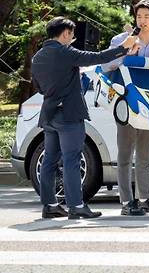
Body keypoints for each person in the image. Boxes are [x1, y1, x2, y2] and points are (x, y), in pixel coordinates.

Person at [32, 17, 138, 219]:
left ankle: (50, 205)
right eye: (71, 35)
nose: (72, 39)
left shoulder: (37, 57)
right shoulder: (65, 52)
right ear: (65, 33)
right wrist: (123, 48)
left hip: (49, 113)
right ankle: (76, 206)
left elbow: (38, 86)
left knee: (50, 161)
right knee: (71, 159)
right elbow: (96, 57)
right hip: (69, 115)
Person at [101, 0, 149, 215]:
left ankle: (144, 199)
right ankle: (126, 202)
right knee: (125, 154)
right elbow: (106, 66)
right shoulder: (120, 39)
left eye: (147, 17)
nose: (142, 21)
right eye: (139, 16)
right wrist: (125, 53)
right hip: (126, 102)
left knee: (144, 155)